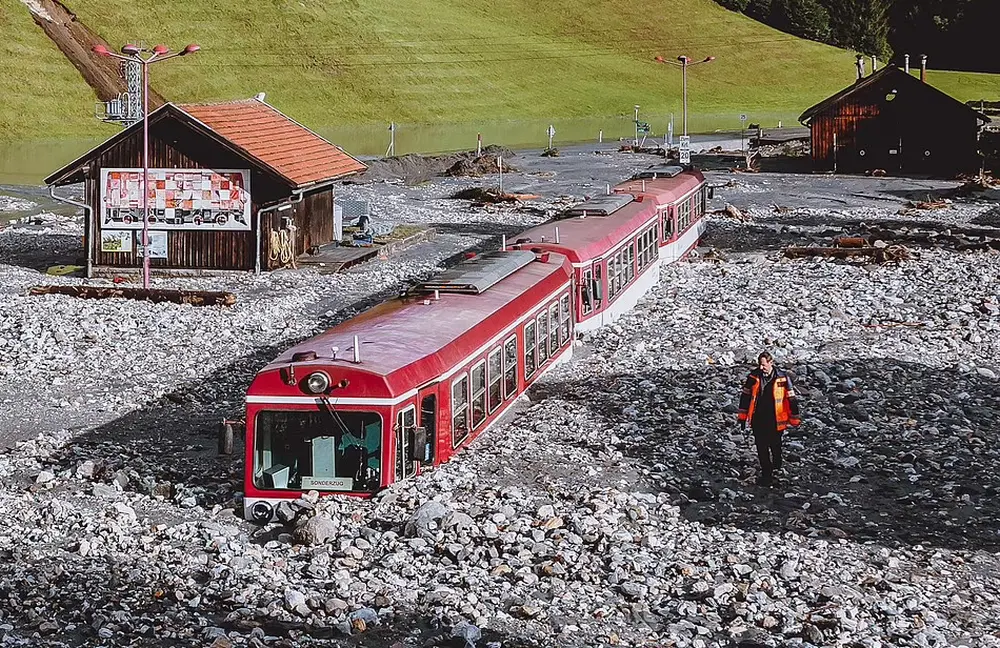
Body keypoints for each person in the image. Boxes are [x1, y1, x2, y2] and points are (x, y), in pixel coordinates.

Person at [737, 351, 801, 487]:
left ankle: (777, 465)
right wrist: (742, 418)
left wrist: (795, 418)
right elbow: (745, 397)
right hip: (758, 418)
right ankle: (767, 473)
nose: (761, 368)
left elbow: (791, 399)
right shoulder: (753, 377)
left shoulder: (782, 378)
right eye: (760, 365)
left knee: (775, 444)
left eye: (763, 365)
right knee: (761, 446)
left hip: (775, 418)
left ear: (771, 363)